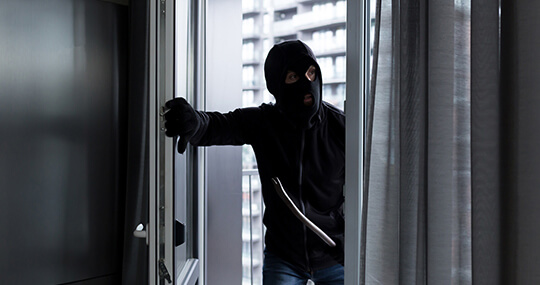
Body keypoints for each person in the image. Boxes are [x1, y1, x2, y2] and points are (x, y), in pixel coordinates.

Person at [164, 40, 345, 284]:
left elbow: (371, 190)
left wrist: (350, 236)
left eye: (311, 73)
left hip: (336, 255)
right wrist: (192, 122)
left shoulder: (341, 127)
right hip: (284, 257)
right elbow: (215, 125)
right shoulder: (264, 123)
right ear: (276, 85)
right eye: (293, 77)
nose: (307, 84)